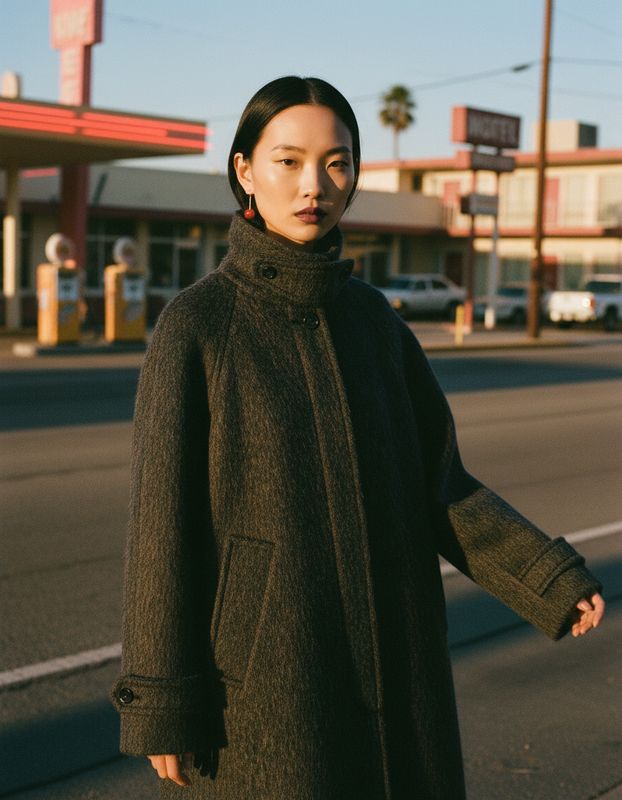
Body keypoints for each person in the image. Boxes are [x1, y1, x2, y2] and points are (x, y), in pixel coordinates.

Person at [109, 76, 606, 799]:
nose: (315, 183)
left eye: (337, 162)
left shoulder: (376, 323)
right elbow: (162, 527)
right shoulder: (199, 325)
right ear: (244, 170)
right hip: (265, 680)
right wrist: (162, 702)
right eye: (288, 160)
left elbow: (439, 485)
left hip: (399, 655)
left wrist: (545, 576)